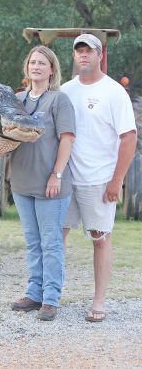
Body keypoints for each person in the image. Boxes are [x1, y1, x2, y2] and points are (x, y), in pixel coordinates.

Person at [62, 34, 137, 323]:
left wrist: (116, 180)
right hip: (67, 177)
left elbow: (129, 138)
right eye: (78, 51)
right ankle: (49, 296)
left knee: (100, 238)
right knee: (57, 236)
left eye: (88, 51)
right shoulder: (66, 90)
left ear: (99, 55)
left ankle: (99, 302)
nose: (83, 55)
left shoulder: (114, 92)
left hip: (99, 179)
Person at [9, 46, 76, 321]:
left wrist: (56, 174)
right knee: (33, 242)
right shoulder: (16, 99)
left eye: (42, 63)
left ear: (51, 70)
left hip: (51, 185)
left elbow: (68, 139)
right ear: (27, 67)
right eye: (32, 62)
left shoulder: (59, 101)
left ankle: (50, 299)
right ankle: (34, 293)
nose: (36, 66)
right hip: (22, 182)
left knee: (51, 243)